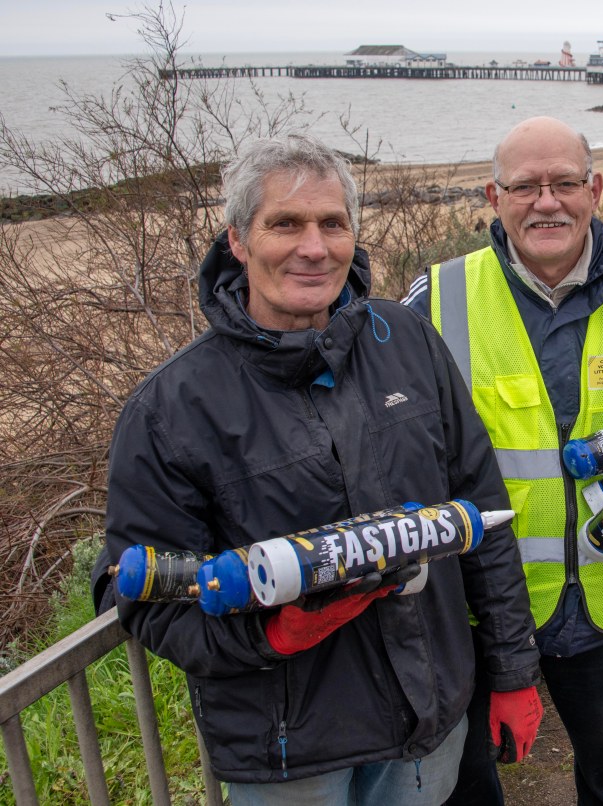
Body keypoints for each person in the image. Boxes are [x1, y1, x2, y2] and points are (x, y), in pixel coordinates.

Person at [103, 134, 544, 805]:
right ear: (239, 242)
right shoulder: (172, 406)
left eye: (332, 223)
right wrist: (267, 633)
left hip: (429, 727)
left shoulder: (411, 342)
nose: (314, 247)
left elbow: (480, 507)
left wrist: (513, 671)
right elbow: (136, 593)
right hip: (291, 757)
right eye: (285, 223)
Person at [404, 116, 603, 806]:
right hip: (478, 610)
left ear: (595, 189)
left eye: (564, 183)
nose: (546, 201)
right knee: (469, 781)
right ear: (493, 196)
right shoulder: (435, 300)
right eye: (524, 186)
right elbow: (393, 444)